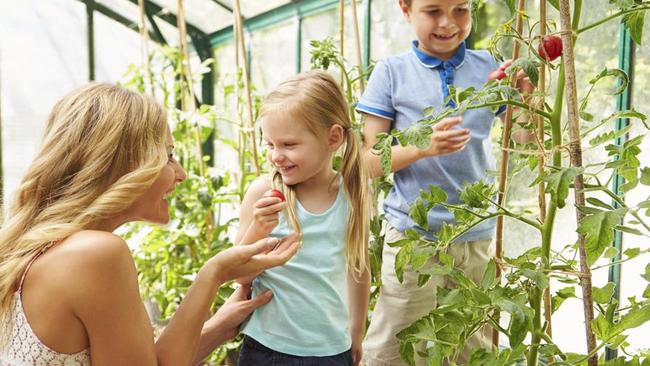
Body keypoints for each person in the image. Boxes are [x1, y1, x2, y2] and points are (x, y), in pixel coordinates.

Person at [0, 83, 301, 366]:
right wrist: (214, 273)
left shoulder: (34, 247)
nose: (181, 173)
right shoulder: (94, 254)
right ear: (123, 165)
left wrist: (219, 324)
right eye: (168, 156)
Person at [357, 1, 534, 365]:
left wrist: (528, 98)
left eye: (460, 10)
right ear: (405, 9)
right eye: (433, 10)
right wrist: (423, 147)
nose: (448, 23)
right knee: (399, 343)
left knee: (473, 343)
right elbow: (368, 162)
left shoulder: (491, 67)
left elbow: (526, 140)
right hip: (413, 235)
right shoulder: (391, 73)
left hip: (475, 234)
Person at [234, 70, 371, 366]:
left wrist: (356, 332)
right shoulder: (264, 192)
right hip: (267, 348)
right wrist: (258, 228)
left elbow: (359, 269)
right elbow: (238, 274)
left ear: (332, 138)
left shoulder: (352, 195)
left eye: (288, 144)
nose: (275, 156)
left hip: (332, 350)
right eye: (270, 144)